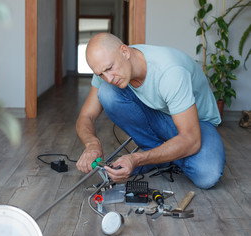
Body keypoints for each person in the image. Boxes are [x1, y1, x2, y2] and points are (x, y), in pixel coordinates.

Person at [76, 33, 225, 189]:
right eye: (101, 74)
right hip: (159, 115)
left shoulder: (170, 72)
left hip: (196, 124)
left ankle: (158, 156)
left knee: (207, 174)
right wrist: (92, 143)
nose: (109, 78)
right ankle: (161, 154)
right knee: (107, 92)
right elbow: (86, 115)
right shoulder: (107, 69)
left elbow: (191, 139)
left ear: (125, 52)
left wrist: (137, 159)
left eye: (109, 68)